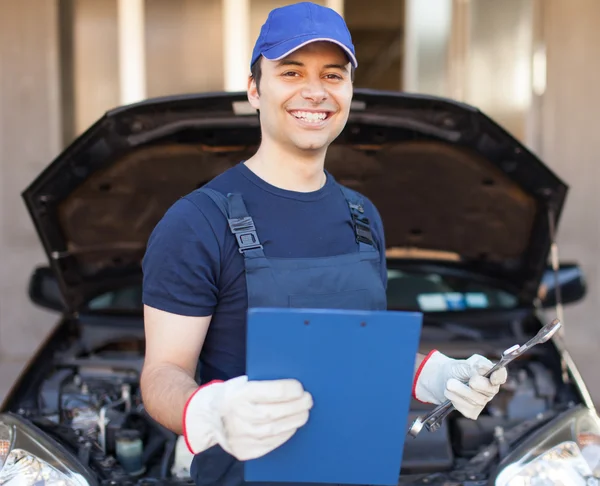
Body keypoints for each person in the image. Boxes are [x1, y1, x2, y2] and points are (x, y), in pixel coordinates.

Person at [140, 2, 508, 485]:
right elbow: (161, 374)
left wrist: (437, 375)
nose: (315, 91)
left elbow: (354, 353)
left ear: (349, 91)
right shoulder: (196, 222)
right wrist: (207, 410)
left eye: (333, 75)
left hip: (364, 472)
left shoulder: (362, 216)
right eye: (291, 71)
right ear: (255, 88)